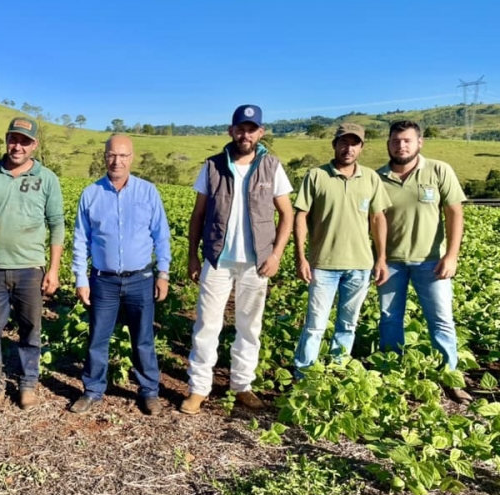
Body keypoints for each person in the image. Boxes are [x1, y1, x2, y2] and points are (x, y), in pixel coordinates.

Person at [180, 105, 294, 415]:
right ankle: (198, 388)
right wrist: (193, 256)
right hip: (217, 259)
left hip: (256, 262)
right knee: (206, 325)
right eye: (240, 128)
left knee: (249, 327)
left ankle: (242, 386)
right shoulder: (214, 166)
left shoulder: (271, 166)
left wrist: (276, 254)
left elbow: (287, 214)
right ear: (231, 131)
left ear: (261, 132)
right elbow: (198, 214)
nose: (245, 134)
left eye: (251, 129)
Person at [0, 117, 65, 412]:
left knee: (30, 329)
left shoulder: (47, 178)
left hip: (30, 269)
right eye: (13, 139)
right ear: (6, 139)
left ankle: (28, 385)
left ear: (34, 145)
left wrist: (54, 269)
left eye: (24, 141)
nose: (17, 146)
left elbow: (57, 224)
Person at [70, 134, 172, 415]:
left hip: (141, 279)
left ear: (132, 157)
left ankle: (149, 392)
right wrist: (81, 278)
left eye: (123, 155)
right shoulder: (91, 194)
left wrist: (163, 273)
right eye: (112, 155)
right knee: (98, 338)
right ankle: (92, 390)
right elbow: (81, 240)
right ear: (104, 156)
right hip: (103, 280)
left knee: (143, 338)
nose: (117, 161)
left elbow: (161, 236)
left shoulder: (148, 192)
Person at [376, 120, 471, 403]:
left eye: (407, 140)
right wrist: (378, 258)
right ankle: (393, 375)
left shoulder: (438, 170)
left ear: (420, 142)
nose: (401, 145)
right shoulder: (377, 177)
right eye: (395, 141)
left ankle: (450, 379)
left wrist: (451, 255)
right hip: (391, 263)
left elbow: (455, 213)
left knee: (441, 321)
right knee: (390, 320)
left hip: (432, 262)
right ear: (388, 144)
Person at [293, 123, 391, 375]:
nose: (348, 149)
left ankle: (337, 371)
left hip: (360, 265)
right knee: (315, 325)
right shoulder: (316, 175)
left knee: (348, 324)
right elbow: (301, 215)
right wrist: (301, 257)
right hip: (323, 264)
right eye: (343, 143)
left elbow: (378, 218)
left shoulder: (371, 178)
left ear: (361, 147)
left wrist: (381, 259)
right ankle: (304, 374)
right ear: (334, 145)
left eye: (354, 143)